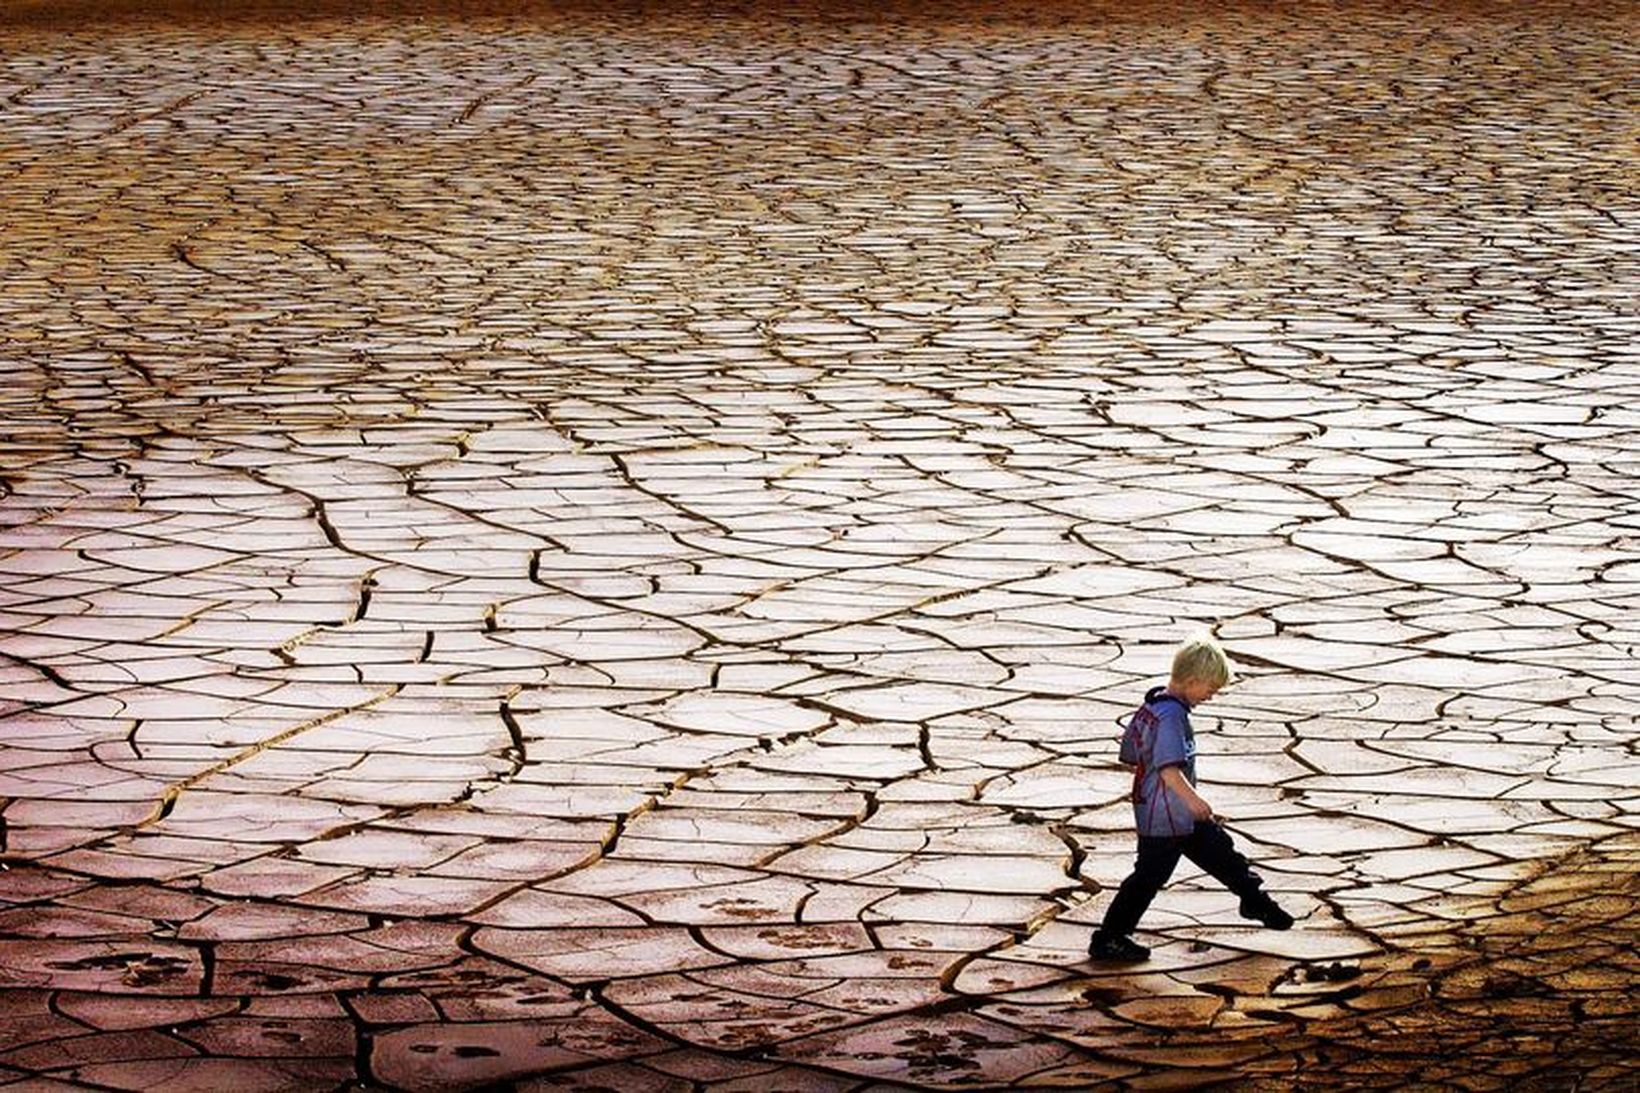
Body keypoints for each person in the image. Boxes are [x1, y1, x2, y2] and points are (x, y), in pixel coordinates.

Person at [1088, 635, 1294, 962]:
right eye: (1210, 689)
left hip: (1171, 811)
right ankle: (1110, 938)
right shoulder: (1171, 716)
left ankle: (1254, 900)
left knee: (1221, 853)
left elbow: (1130, 753)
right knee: (1149, 876)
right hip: (1166, 815)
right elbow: (1169, 770)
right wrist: (1195, 800)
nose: (1210, 697)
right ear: (1193, 681)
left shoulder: (1153, 705)